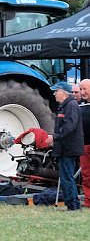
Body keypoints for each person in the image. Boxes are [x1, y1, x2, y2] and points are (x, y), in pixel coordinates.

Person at [50, 81, 83, 210]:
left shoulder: (71, 105)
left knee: (67, 178)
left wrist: (55, 137)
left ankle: (73, 206)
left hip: (68, 149)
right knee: (66, 178)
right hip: (64, 148)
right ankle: (72, 205)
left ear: (62, 92)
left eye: (56, 91)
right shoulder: (65, 106)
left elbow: (70, 126)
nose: (54, 94)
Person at [79, 79, 90, 208]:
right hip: (84, 146)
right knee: (87, 176)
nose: (82, 92)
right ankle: (88, 202)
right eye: (80, 90)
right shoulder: (80, 107)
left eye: (84, 89)